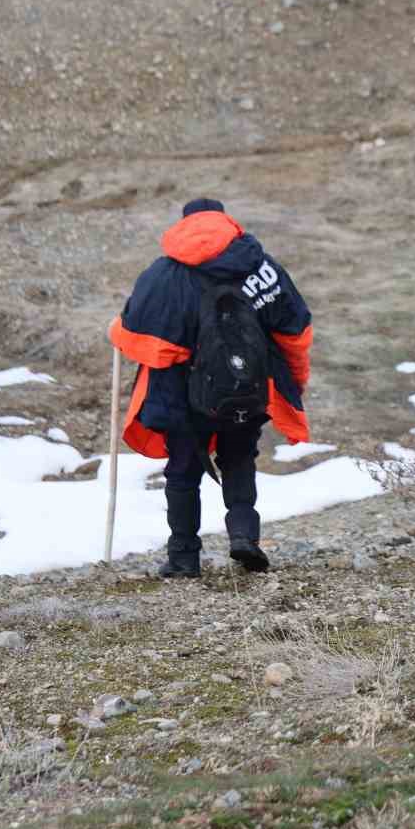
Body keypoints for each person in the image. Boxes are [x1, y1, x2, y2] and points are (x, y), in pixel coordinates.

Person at [109, 198, 312, 578]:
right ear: (227, 222)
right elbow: (295, 331)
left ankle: (184, 559)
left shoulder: (163, 275)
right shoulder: (263, 269)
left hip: (181, 395)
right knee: (239, 459)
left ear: (184, 225)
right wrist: (294, 383)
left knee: (183, 471)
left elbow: (143, 342)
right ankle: (244, 536)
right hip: (248, 387)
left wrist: (117, 330)